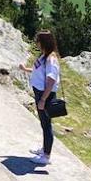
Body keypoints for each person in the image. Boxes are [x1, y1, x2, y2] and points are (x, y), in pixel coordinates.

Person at [20, 31, 61, 166]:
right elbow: (39, 71)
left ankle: (46, 156)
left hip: (46, 95)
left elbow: (51, 80)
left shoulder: (51, 59)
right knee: (44, 124)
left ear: (43, 42)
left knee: (47, 125)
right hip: (41, 93)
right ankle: (44, 149)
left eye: (38, 40)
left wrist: (43, 99)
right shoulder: (45, 56)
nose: (36, 43)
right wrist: (26, 69)